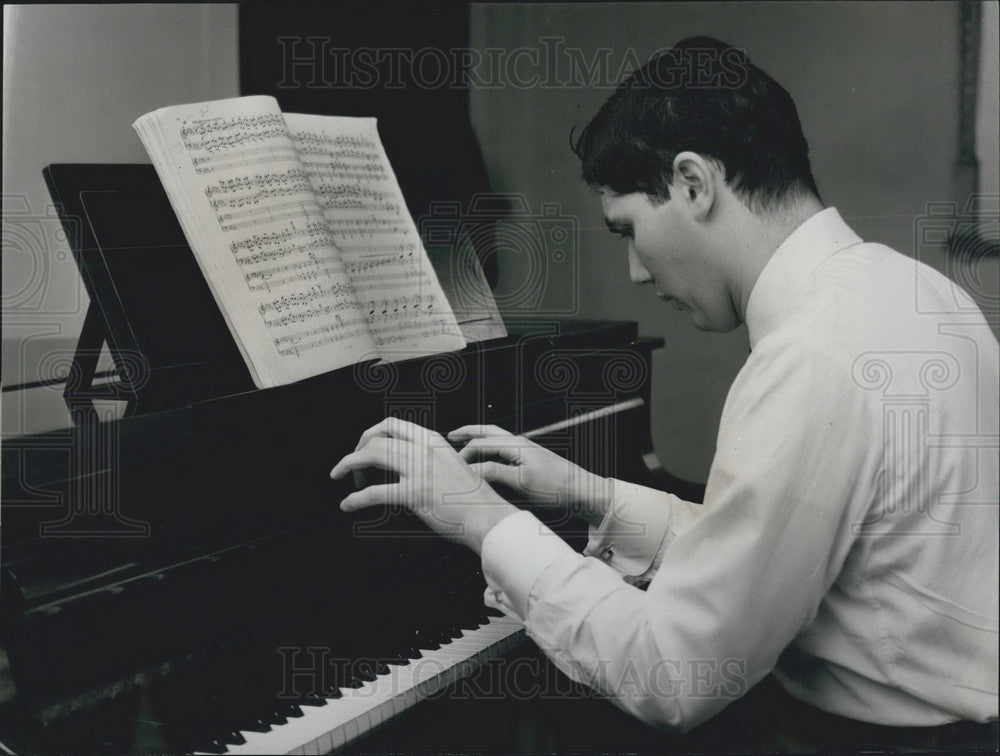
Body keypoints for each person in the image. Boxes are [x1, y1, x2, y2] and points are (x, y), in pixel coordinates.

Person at [331, 36, 998, 749]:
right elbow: (777, 562)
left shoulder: (809, 357)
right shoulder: (917, 293)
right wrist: (596, 495)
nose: (637, 273)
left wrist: (479, 519)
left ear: (692, 183)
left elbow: (673, 677)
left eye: (628, 229)